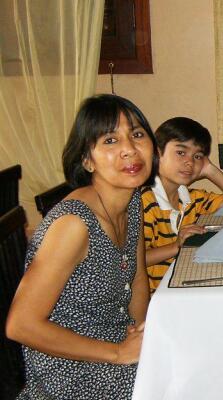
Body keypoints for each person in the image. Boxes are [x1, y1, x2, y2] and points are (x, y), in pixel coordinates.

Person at [6, 94, 157, 399]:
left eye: (137, 134)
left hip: (114, 340)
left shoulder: (132, 202)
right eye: (110, 140)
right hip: (69, 366)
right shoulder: (73, 225)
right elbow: (19, 325)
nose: (129, 149)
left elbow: (138, 276)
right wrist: (119, 353)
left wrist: (142, 332)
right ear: (87, 159)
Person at [142, 117, 223, 291]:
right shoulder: (142, 203)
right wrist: (175, 246)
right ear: (157, 153)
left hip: (188, 285)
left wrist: (211, 171)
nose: (189, 162)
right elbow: (132, 261)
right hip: (158, 299)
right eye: (180, 152)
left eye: (197, 156)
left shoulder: (194, 199)